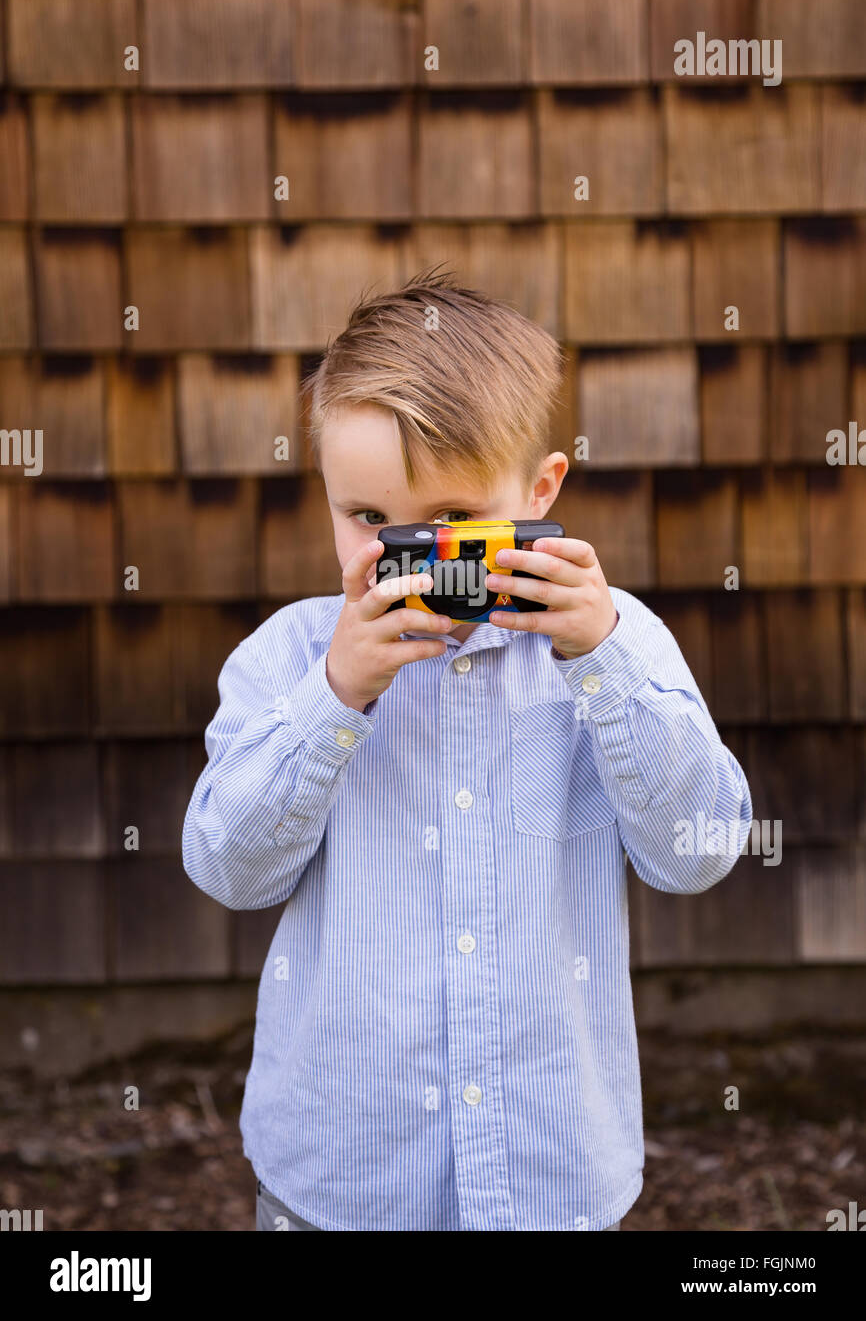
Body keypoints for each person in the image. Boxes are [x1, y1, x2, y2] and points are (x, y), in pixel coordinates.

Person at [182, 268, 752, 1231]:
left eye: (448, 522)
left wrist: (602, 658)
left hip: (551, 1178)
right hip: (341, 1182)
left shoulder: (620, 642)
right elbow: (230, 869)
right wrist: (335, 698)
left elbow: (697, 854)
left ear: (539, 490)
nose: (405, 551)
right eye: (367, 518)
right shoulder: (289, 658)